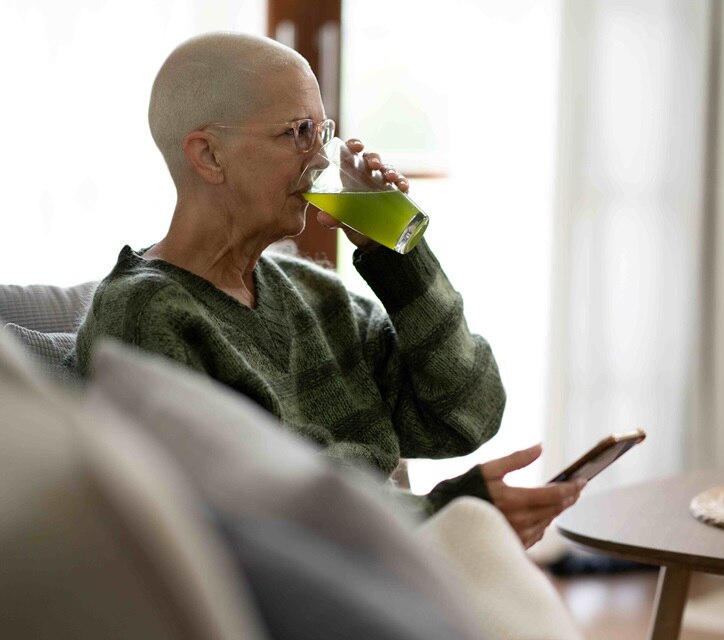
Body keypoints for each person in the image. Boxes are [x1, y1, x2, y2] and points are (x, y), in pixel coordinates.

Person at [70, 31, 582, 548]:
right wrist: (441, 515)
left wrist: (396, 253)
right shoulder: (142, 313)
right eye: (298, 132)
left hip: (392, 568)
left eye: (324, 131)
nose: (320, 159)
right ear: (209, 156)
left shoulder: (313, 294)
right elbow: (239, 511)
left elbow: (468, 413)